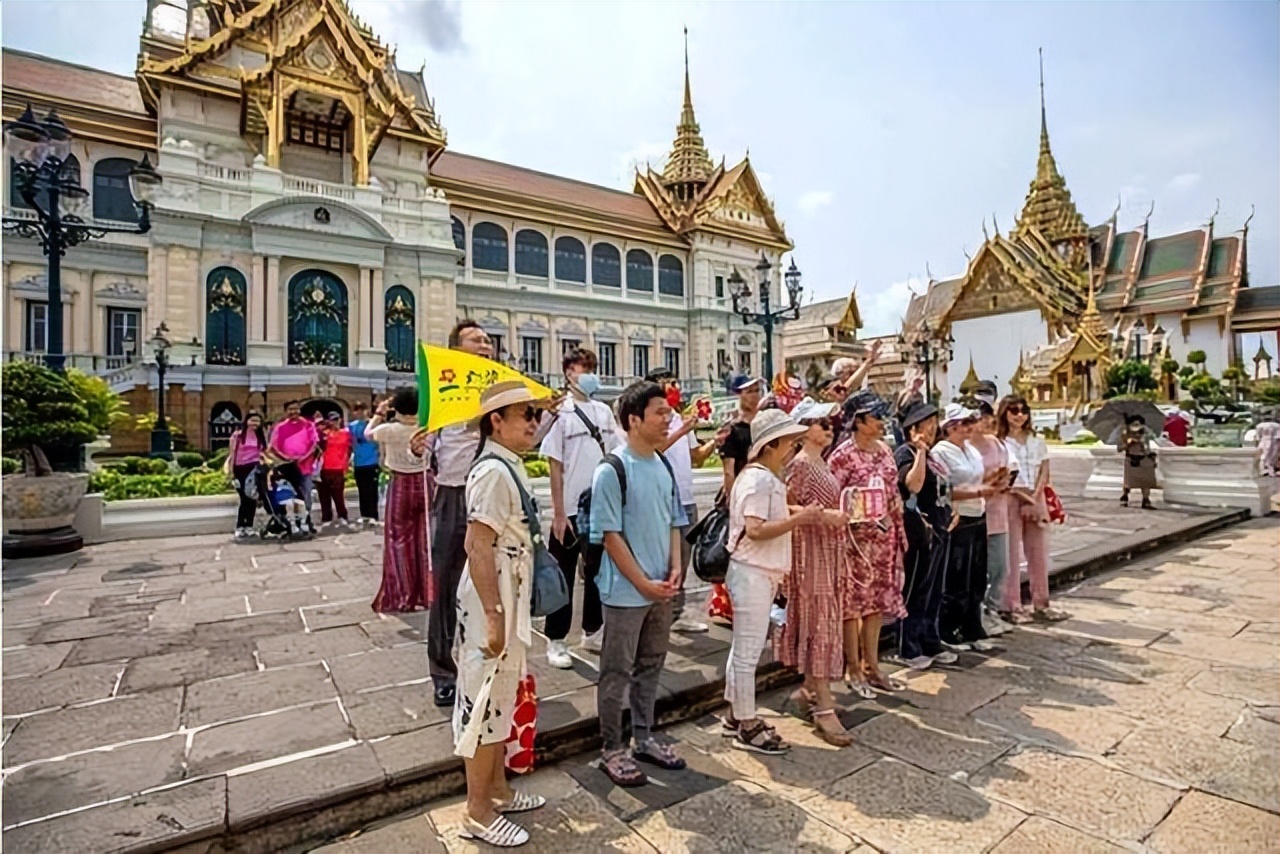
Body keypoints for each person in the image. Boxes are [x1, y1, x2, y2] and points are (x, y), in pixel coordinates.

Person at [453, 381, 548, 848]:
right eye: (525, 414)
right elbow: (477, 545)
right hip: (495, 596)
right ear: (497, 421)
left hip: (510, 590)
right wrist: (493, 614)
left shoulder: (507, 466)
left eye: (536, 414)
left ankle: (497, 790)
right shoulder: (492, 472)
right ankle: (477, 809)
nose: (534, 422)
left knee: (500, 697)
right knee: (484, 700)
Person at [590, 381, 689, 786]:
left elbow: (672, 521)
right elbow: (610, 536)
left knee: (652, 664)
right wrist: (645, 584)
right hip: (626, 591)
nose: (668, 419)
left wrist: (675, 568)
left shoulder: (662, 465)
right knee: (617, 670)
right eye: (659, 413)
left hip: (661, 587)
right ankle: (611, 747)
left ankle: (643, 736)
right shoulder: (611, 470)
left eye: (668, 413)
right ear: (634, 420)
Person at [722, 408, 828, 754]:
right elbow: (756, 529)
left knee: (743, 648)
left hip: (756, 570)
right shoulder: (760, 479)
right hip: (754, 571)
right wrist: (802, 520)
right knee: (748, 652)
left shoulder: (760, 477)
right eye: (788, 442)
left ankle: (737, 714)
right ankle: (747, 722)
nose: (791, 449)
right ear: (771, 445)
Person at [775, 398, 856, 746]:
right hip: (808, 550)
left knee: (827, 617)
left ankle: (812, 687)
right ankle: (822, 702)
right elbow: (783, 505)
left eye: (828, 423)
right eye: (820, 423)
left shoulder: (818, 461)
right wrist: (823, 515)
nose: (828, 427)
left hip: (827, 547)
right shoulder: (800, 464)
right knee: (819, 619)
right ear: (804, 428)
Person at [428, 320, 496, 707]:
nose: (485, 343)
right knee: (447, 587)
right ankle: (442, 672)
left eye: (487, 340)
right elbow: (426, 439)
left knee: (492, 582)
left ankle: (486, 660)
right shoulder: (441, 388)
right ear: (457, 349)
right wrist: (420, 445)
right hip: (455, 494)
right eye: (476, 340)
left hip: (491, 493)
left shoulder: (500, 388)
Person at [540, 347, 621, 669]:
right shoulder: (561, 411)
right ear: (567, 372)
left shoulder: (603, 411)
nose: (586, 373)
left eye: (590, 367)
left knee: (597, 572)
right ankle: (556, 639)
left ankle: (593, 630)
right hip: (570, 506)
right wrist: (559, 513)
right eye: (579, 367)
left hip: (598, 504)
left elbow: (615, 455)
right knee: (561, 574)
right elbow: (554, 465)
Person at [828, 391, 909, 693]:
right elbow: (833, 499)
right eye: (875, 418)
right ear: (859, 422)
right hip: (854, 543)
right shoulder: (842, 456)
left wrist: (898, 530)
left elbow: (893, 494)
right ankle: (853, 668)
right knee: (852, 607)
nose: (881, 423)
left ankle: (872, 665)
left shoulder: (885, 451)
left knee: (875, 604)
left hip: (882, 539)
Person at [649, 367, 718, 634]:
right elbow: (654, 450)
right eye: (668, 385)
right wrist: (682, 430)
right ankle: (659, 616)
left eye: (675, 383)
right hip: (662, 499)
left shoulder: (679, 417)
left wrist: (714, 441)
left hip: (685, 498)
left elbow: (696, 457)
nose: (674, 388)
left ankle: (677, 613)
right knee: (663, 561)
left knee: (683, 558)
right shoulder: (655, 420)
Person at [892, 401, 959, 668]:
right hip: (919, 531)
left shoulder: (933, 456)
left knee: (934, 590)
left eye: (933, 425)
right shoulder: (906, 455)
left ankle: (929, 638)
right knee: (915, 589)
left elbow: (943, 487)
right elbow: (912, 488)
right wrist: (919, 452)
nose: (931, 431)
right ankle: (907, 645)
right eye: (925, 426)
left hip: (941, 527)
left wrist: (952, 509)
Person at [930, 404, 998, 652]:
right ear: (951, 427)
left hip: (978, 512)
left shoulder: (970, 450)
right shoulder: (941, 452)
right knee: (956, 576)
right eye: (965, 423)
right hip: (959, 515)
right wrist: (979, 491)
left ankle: (972, 625)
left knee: (976, 575)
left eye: (971, 422)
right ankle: (949, 628)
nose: (970, 427)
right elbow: (944, 490)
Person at [997, 395, 1068, 623]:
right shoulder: (1000, 443)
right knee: (1012, 555)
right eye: (1013, 410)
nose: (1019, 415)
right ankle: (1012, 606)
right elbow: (1001, 477)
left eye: (1023, 410)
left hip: (1034, 497)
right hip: (1010, 497)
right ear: (1005, 414)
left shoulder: (1036, 441)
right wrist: (1022, 496)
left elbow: (1044, 471)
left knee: (1039, 553)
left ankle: (1041, 602)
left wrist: (1036, 497)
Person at [368, 388, 432, 614]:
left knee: (399, 540)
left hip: (401, 484)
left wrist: (379, 412)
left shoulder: (389, 429)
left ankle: (405, 595)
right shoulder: (427, 427)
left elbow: (367, 433)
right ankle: (428, 592)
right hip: (426, 481)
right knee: (426, 540)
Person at [709, 375, 767, 624]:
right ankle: (728, 606)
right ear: (738, 395)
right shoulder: (733, 430)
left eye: (757, 390)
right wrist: (735, 504)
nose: (753, 395)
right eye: (748, 391)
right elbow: (728, 472)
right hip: (743, 496)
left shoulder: (765, 425)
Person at [968, 395, 1016, 638]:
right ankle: (977, 614)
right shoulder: (966, 448)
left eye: (988, 417)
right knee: (978, 569)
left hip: (998, 510)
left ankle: (993, 609)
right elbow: (967, 483)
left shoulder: (996, 444)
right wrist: (990, 481)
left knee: (1000, 567)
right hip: (976, 512)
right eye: (981, 418)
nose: (986, 422)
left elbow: (1008, 468)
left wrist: (1004, 480)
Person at [267, 400, 320, 534]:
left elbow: (314, 445)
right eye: (290, 409)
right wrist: (286, 458)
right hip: (287, 469)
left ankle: (306, 522)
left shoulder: (308, 425)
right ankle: (291, 524)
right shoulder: (279, 427)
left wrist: (303, 457)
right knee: (290, 497)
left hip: (305, 467)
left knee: (306, 496)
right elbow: (273, 446)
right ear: (286, 411)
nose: (293, 412)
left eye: (296, 409)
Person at [227, 410, 266, 539]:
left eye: (257, 421)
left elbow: (263, 453)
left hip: (254, 469)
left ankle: (249, 526)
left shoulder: (260, 436)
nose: (255, 423)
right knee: (244, 499)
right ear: (246, 421)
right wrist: (232, 472)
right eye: (252, 420)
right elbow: (232, 454)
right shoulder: (237, 436)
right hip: (240, 469)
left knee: (252, 499)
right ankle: (240, 526)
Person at [317, 412, 352, 529]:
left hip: (338, 467)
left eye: (336, 420)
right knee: (324, 494)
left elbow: (349, 449)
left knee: (338, 495)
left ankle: (342, 516)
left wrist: (346, 465)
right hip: (323, 468)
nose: (334, 422)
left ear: (340, 420)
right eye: (332, 420)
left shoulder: (345, 433)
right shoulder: (324, 434)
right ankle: (326, 517)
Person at [348, 402, 381, 525]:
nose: (360, 412)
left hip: (372, 461)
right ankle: (365, 514)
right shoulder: (351, 426)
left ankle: (374, 515)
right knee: (362, 490)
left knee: (372, 490)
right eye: (357, 410)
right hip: (358, 462)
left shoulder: (373, 424)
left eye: (363, 409)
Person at [1118, 414, 1158, 509]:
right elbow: (1119, 449)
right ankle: (1125, 496)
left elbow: (1147, 448)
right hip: (1131, 459)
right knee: (1128, 481)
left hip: (1144, 459)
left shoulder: (1145, 435)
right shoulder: (1125, 435)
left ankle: (1146, 499)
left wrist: (1151, 457)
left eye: (1139, 424)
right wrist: (1128, 444)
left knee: (1146, 481)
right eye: (1134, 424)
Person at [268, 468, 307, 534]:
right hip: (280, 503)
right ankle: (293, 527)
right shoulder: (273, 484)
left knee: (299, 503)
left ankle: (301, 525)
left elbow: (295, 493)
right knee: (290, 506)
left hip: (291, 499)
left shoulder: (288, 482)